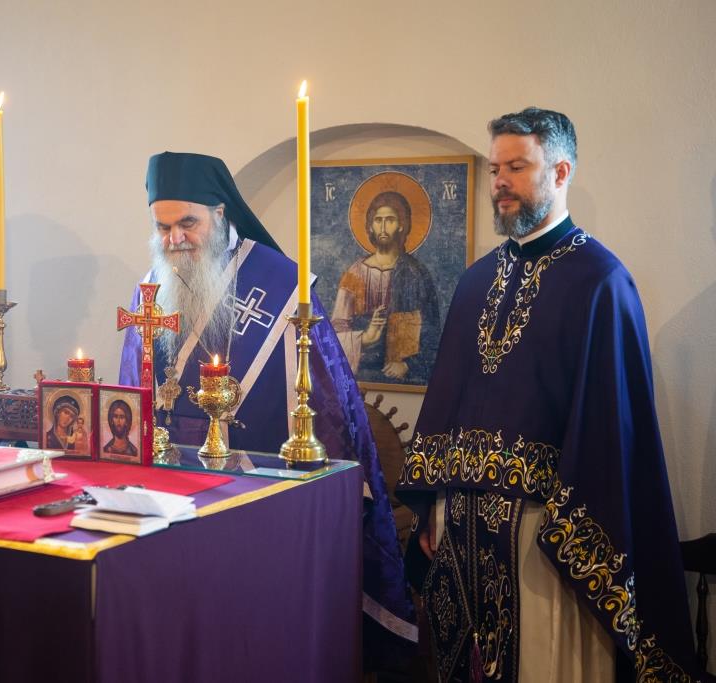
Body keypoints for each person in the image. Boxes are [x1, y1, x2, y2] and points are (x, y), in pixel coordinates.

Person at [395, 108, 702, 681]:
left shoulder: (601, 281)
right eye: (495, 169)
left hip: (544, 533)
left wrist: (569, 523)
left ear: (561, 172)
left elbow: (611, 427)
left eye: (517, 167)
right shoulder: (475, 280)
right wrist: (434, 503)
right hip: (461, 526)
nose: (500, 182)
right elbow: (447, 403)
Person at [119, 151, 414, 663]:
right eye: (162, 227)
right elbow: (132, 391)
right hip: (163, 507)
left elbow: (331, 409)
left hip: (257, 506)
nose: (174, 239)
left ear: (220, 214)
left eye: (187, 223)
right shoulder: (151, 289)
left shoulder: (282, 287)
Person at [331, 190, 440, 382]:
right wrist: (365, 337)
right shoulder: (354, 273)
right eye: (377, 220)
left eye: (390, 220)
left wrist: (408, 364)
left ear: (401, 225)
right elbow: (336, 333)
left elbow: (432, 332)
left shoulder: (416, 273)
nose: (382, 227)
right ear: (370, 226)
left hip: (401, 376)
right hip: (362, 372)